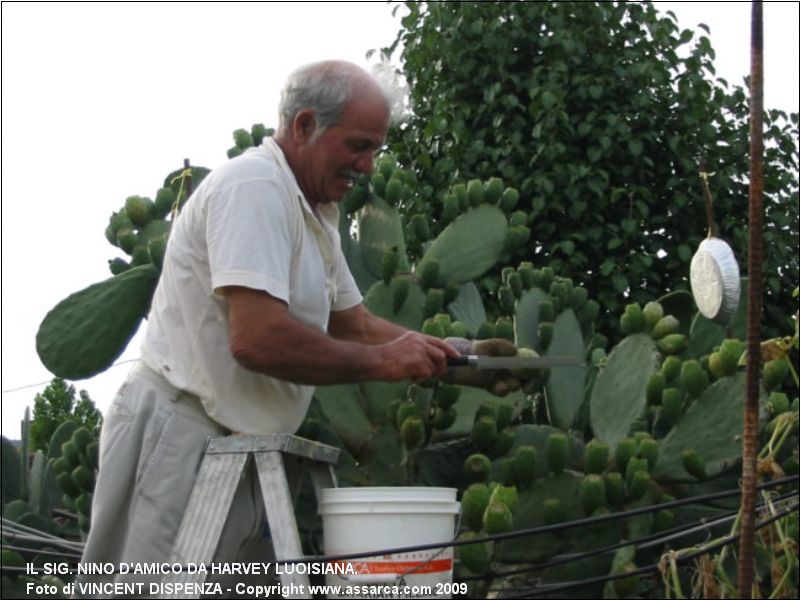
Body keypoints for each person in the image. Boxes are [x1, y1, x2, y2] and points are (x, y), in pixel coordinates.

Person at [76, 60, 520, 597]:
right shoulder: (256, 189)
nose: (370, 165)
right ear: (305, 125)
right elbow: (257, 339)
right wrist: (385, 364)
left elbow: (354, 324)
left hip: (233, 444)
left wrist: (459, 359)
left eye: (375, 148)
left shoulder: (314, 212)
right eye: (358, 145)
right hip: (180, 430)